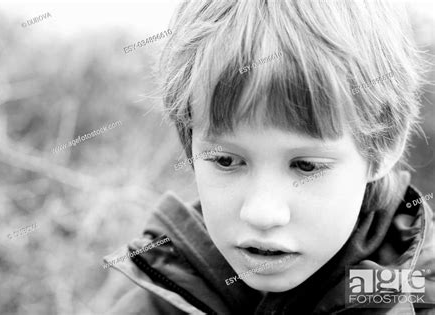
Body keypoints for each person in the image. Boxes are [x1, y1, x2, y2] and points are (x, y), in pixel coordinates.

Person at [104, 0, 435, 313]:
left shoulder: (416, 295)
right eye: (226, 161)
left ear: (383, 147)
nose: (262, 214)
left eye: (306, 165)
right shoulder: (155, 302)